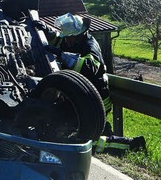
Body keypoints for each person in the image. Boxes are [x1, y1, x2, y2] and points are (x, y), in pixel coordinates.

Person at [38, 13, 146, 155]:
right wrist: (46, 30)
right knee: (71, 127)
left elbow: (88, 67)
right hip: (79, 97)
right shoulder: (73, 40)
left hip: (94, 100)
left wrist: (61, 55)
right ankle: (105, 129)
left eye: (69, 37)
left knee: (84, 141)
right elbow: (59, 40)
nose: (67, 41)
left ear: (79, 34)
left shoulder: (90, 46)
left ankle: (132, 145)